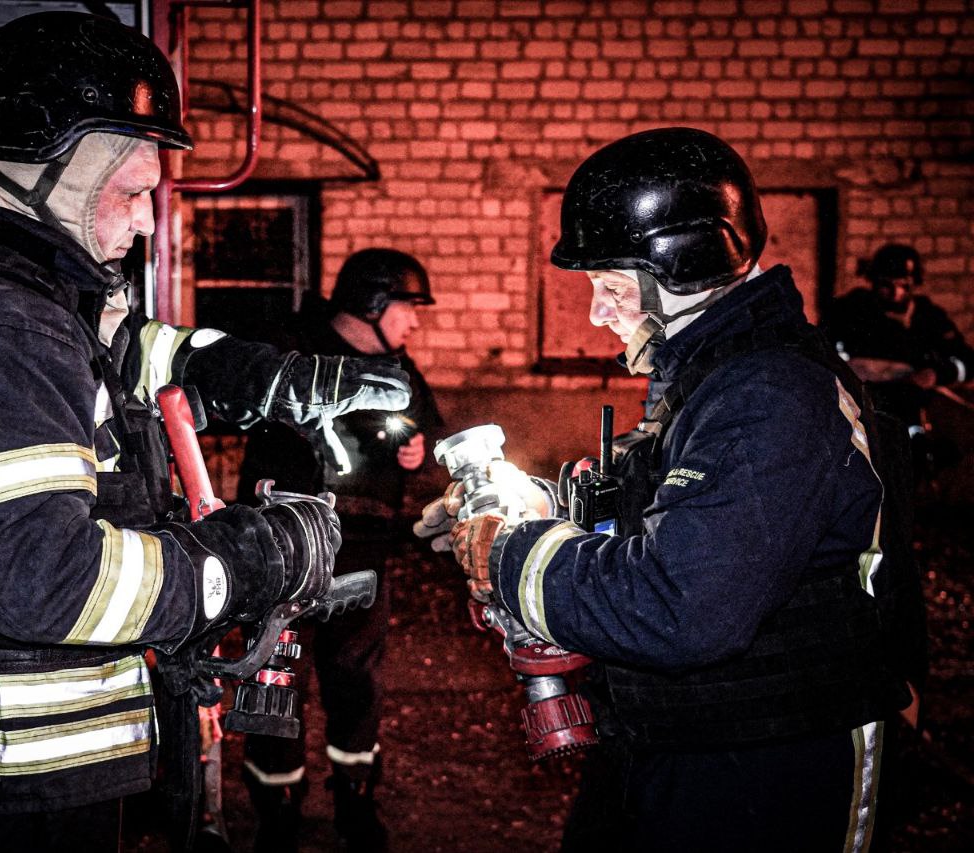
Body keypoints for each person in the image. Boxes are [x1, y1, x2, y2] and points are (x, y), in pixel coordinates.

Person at [0, 12, 411, 851]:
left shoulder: (29, 301)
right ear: (49, 178)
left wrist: (273, 378)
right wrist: (249, 558)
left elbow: (134, 360)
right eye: (131, 193)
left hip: (37, 776)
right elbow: (56, 580)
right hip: (9, 793)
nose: (143, 225)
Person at [426, 128, 915, 852]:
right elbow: (674, 515)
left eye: (612, 287)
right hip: (683, 733)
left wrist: (511, 554)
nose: (597, 313)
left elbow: (679, 602)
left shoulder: (771, 393)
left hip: (772, 763)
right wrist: (527, 508)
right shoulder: (713, 379)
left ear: (684, 270)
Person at [236, 249, 442, 852]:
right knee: (276, 680)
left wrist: (416, 452)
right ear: (373, 305)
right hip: (285, 557)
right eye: (409, 307)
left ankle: (356, 801)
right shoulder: (294, 356)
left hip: (365, 555)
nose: (415, 322)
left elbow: (425, 428)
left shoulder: (397, 367)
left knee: (357, 682)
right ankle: (276, 809)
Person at [822, 243, 974, 481]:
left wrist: (938, 373)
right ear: (873, 281)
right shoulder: (851, 311)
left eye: (904, 286)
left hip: (917, 414)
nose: (896, 294)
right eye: (886, 286)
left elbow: (967, 361)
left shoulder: (928, 316)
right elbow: (824, 354)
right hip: (862, 412)